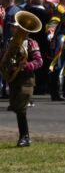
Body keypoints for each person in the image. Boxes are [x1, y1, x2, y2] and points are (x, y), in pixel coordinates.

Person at [5, 8, 43, 148]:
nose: (13, 29)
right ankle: (24, 136)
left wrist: (26, 65)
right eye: (12, 27)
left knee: (21, 108)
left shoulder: (31, 43)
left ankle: (24, 137)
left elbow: (39, 61)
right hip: (13, 79)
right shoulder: (9, 42)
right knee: (16, 108)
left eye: (15, 27)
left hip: (26, 79)